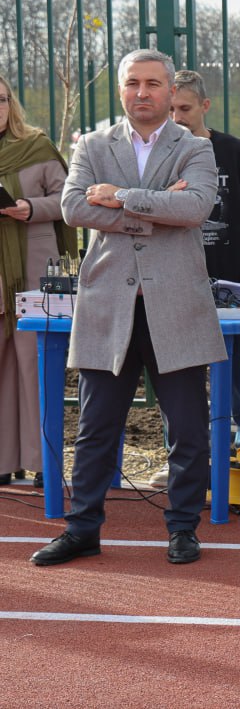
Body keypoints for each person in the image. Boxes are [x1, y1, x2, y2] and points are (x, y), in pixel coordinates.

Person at [31, 49, 224, 566]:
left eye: (153, 83)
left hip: (176, 306)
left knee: (188, 431)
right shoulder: (92, 145)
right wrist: (153, 207)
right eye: (133, 83)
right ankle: (82, 530)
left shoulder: (194, 147)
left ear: (169, 90)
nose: (143, 92)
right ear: (121, 90)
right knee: (96, 430)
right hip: (108, 305)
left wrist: (120, 197)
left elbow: (196, 207)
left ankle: (183, 529)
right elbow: (74, 209)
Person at [172, 69, 240, 444]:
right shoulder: (164, 153)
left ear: (205, 106)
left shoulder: (232, 151)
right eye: (171, 108)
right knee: (179, 371)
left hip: (234, 275)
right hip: (180, 275)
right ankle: (183, 449)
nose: (177, 117)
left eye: (185, 108)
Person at [0, 76, 75, 489]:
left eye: (0, 99)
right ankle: (4, 460)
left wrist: (29, 207)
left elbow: (69, 200)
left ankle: (43, 460)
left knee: (34, 363)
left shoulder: (38, 146)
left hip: (34, 271)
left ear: (11, 103)